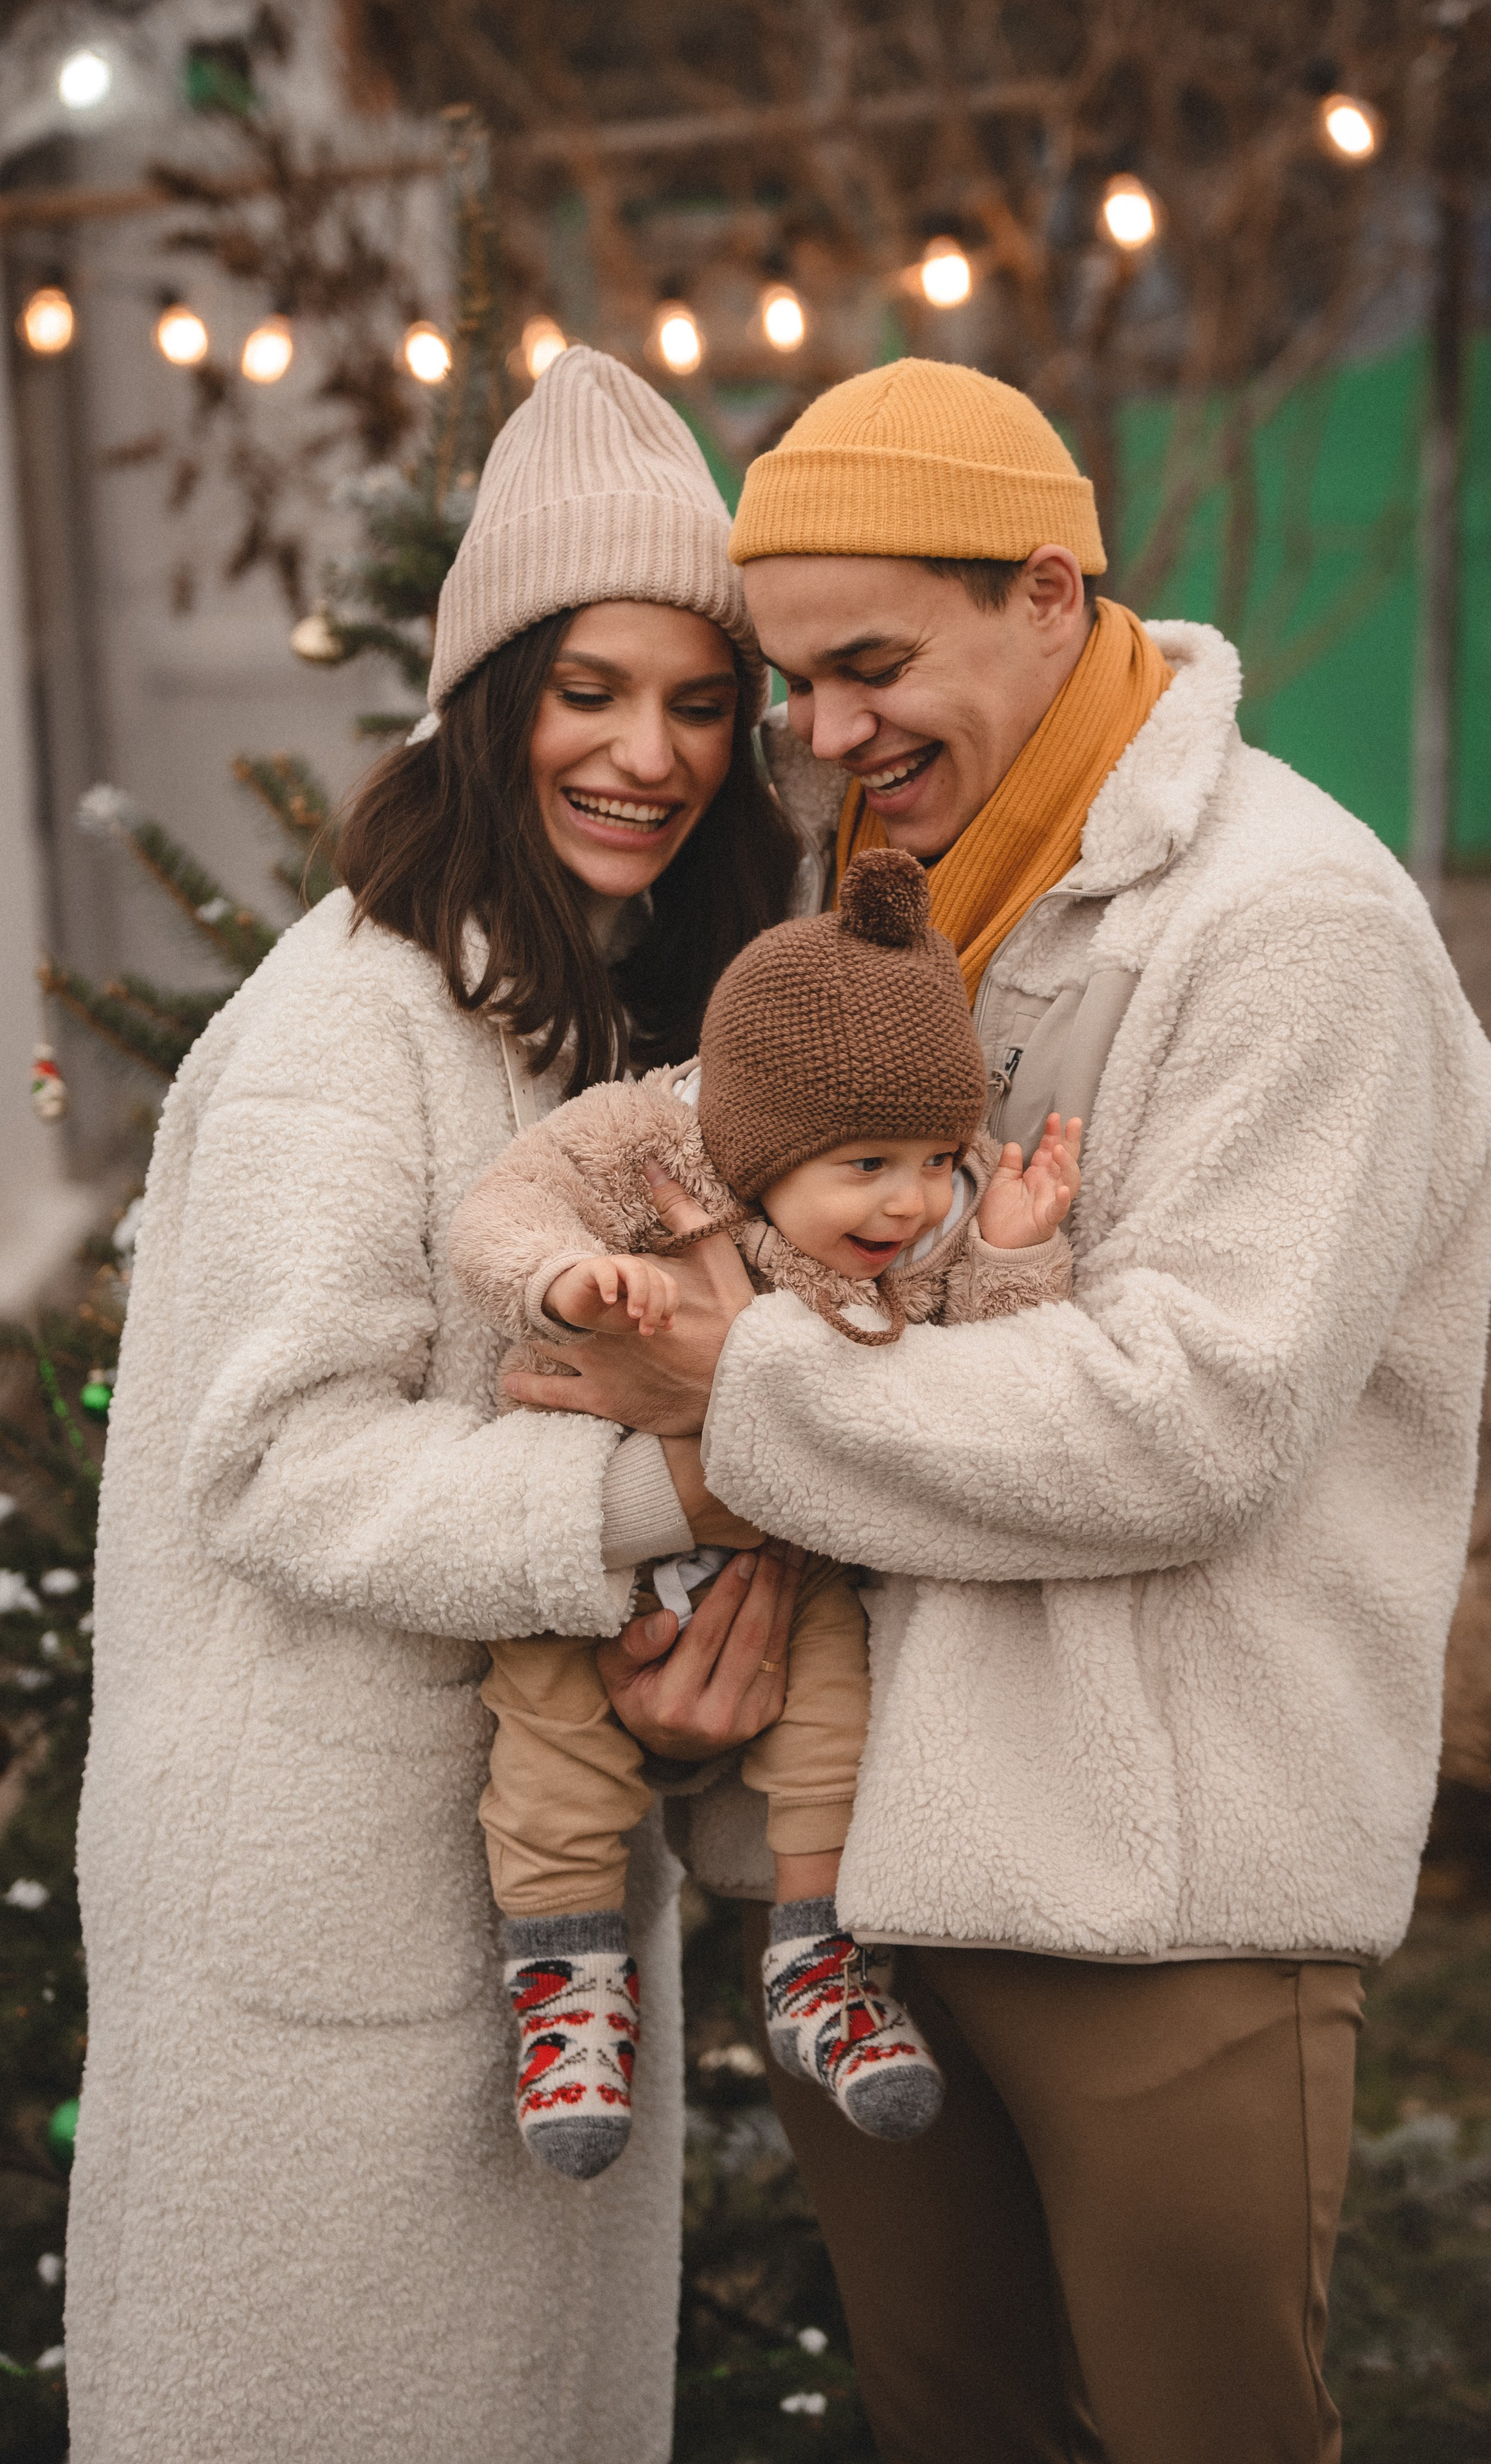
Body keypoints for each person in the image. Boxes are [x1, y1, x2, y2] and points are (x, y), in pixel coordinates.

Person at [507, 359, 1491, 2464]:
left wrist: (732, 1386)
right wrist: (713, 1642)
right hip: (858, 1879)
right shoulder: (876, 911)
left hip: (1159, 1881)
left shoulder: (1290, 925)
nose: (830, 734)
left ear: (1051, 591)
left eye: (873, 663)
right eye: (796, 686)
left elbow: (1191, 1422)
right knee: (954, 2426)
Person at [65, 346, 806, 2464]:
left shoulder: (599, 1007)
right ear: (490, 694)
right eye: (590, 689)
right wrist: (659, 1479)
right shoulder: (354, 1016)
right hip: (320, 1945)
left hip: (522, 1916)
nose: (648, 753)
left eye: (695, 699)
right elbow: (279, 1455)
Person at [448, 845, 1080, 2175]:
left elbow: (991, 1374)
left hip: (788, 1575)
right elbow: (499, 1215)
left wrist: (1014, 1253)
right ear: (763, 1139)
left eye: (931, 1159)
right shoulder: (647, 1145)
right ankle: (566, 1984)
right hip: (598, 1542)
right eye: (866, 1163)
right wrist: (565, 1279)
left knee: (834, 1719)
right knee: (548, 1746)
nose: (906, 1202)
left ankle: (822, 1967)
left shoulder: (913, 1234)